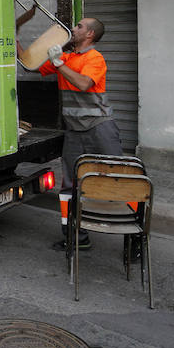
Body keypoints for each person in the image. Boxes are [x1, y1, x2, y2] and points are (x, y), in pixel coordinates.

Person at [19, 16, 125, 251]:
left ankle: (135, 238)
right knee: (69, 186)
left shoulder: (94, 58)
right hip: (74, 131)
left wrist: (60, 65)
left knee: (121, 177)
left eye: (79, 26)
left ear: (90, 35)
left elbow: (84, 84)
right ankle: (75, 236)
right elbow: (28, 64)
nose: (73, 29)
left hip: (100, 127)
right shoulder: (66, 58)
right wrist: (15, 36)